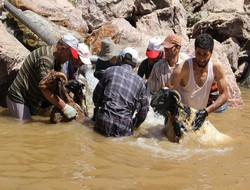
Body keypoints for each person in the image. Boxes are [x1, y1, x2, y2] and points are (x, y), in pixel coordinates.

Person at [6, 34, 79, 120]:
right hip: (19, 98)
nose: (70, 59)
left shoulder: (57, 60)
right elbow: (44, 88)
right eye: (70, 55)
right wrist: (64, 107)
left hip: (32, 100)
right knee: (24, 129)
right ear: (62, 49)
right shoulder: (46, 58)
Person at [169, 33, 229, 130]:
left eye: (205, 55)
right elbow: (168, 95)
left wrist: (206, 112)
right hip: (178, 117)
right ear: (195, 51)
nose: (201, 59)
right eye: (198, 54)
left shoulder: (216, 67)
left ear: (211, 52)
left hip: (198, 117)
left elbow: (225, 95)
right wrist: (173, 119)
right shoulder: (183, 68)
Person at [92, 47, 149, 137]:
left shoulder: (109, 71)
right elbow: (143, 112)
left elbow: (96, 97)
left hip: (103, 122)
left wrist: (98, 112)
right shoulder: (140, 82)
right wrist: (134, 124)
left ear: (121, 59)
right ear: (135, 65)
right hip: (123, 128)